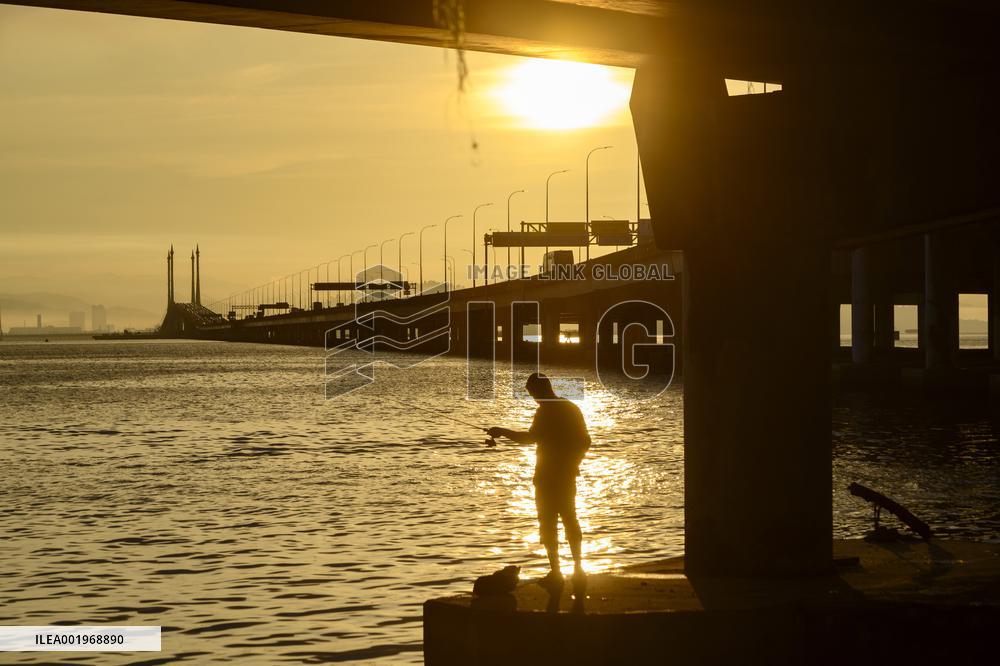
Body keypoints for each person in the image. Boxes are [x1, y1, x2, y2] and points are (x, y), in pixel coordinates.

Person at [488, 372, 591, 593]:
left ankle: (556, 572)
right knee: (570, 519)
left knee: (548, 524)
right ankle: (578, 569)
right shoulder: (571, 408)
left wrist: (502, 431)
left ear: (540, 390)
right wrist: (573, 461)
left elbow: (529, 438)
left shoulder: (545, 412)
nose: (532, 397)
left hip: (546, 477)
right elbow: (586, 441)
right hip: (567, 475)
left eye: (532, 392)